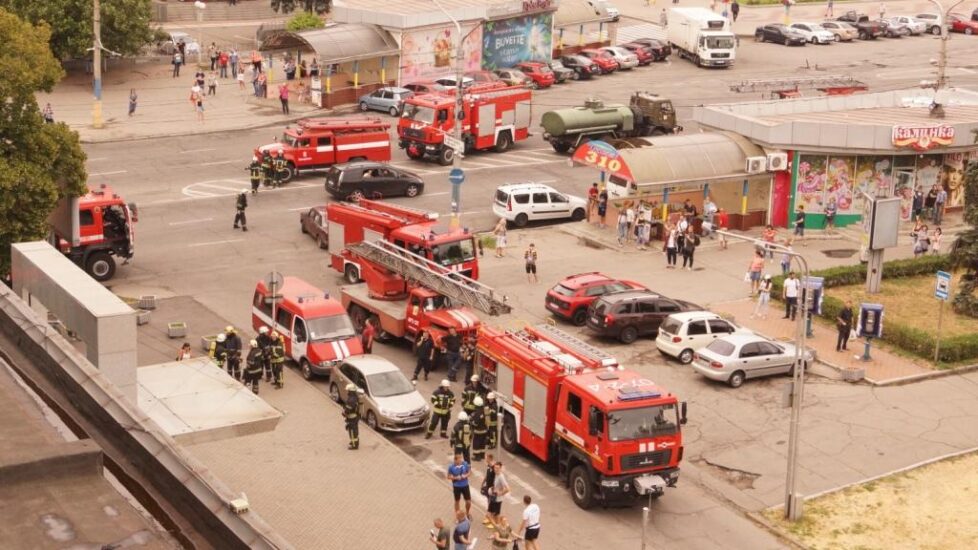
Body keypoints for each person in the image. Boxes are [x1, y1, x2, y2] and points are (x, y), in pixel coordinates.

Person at [447, 453, 472, 517]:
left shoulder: (465, 464)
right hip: (456, 486)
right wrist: (455, 478)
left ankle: (467, 513)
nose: (461, 461)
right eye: (459, 460)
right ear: (455, 460)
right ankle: (457, 515)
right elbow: (448, 476)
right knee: (457, 501)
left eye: (461, 459)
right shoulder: (451, 467)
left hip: (465, 485)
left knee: (468, 501)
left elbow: (469, 472)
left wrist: (465, 475)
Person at [489, 462, 510, 529]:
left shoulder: (501, 477)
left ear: (500, 468)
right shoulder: (496, 475)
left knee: (496, 514)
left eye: (497, 468)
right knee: (491, 514)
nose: (496, 469)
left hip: (498, 499)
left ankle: (498, 527)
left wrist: (500, 493)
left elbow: (508, 489)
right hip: (494, 498)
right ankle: (497, 526)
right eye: (495, 467)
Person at [343, 384, 362, 450]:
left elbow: (348, 409)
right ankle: (355, 442)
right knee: (354, 430)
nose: (347, 391)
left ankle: (354, 446)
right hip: (355, 417)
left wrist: (344, 413)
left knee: (352, 431)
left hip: (352, 417)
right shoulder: (355, 397)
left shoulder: (351, 400)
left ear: (350, 391)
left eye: (348, 390)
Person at [470, 396, 487, 462]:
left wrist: (471, 422)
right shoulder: (484, 410)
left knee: (476, 443)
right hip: (484, 430)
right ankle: (482, 455)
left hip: (478, 431)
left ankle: (477, 456)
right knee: (482, 443)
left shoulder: (477, 412)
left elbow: (475, 423)